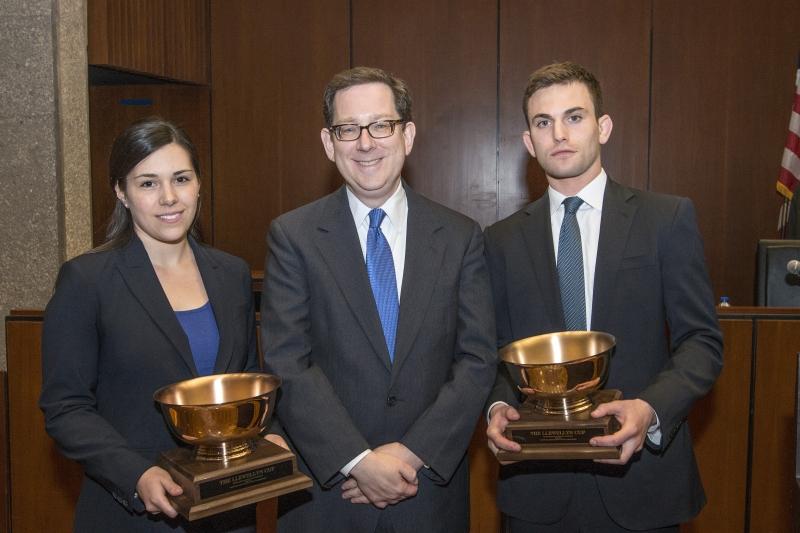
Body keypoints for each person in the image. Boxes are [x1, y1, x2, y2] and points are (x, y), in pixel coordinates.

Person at [484, 61, 724, 532]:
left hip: (642, 485)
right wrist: (495, 410)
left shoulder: (666, 219)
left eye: (574, 117)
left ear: (604, 127)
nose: (559, 134)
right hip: (538, 492)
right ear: (529, 143)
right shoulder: (500, 240)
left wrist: (651, 409)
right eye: (543, 122)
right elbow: (490, 353)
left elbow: (702, 343)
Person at [260, 66, 496, 533]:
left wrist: (410, 454)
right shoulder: (293, 236)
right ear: (329, 143)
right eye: (348, 129)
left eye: (381, 125)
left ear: (407, 135)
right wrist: (357, 461)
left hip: (427, 491)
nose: (365, 143)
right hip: (329, 498)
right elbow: (287, 361)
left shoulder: (460, 236)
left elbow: (477, 360)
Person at [39, 117, 264, 532]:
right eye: (147, 183)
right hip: (134, 516)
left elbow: (247, 379)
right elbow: (65, 408)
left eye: (180, 178)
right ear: (121, 193)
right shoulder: (87, 281)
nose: (168, 197)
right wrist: (136, 474)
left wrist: (272, 440)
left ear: (199, 184)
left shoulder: (231, 274)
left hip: (227, 510)